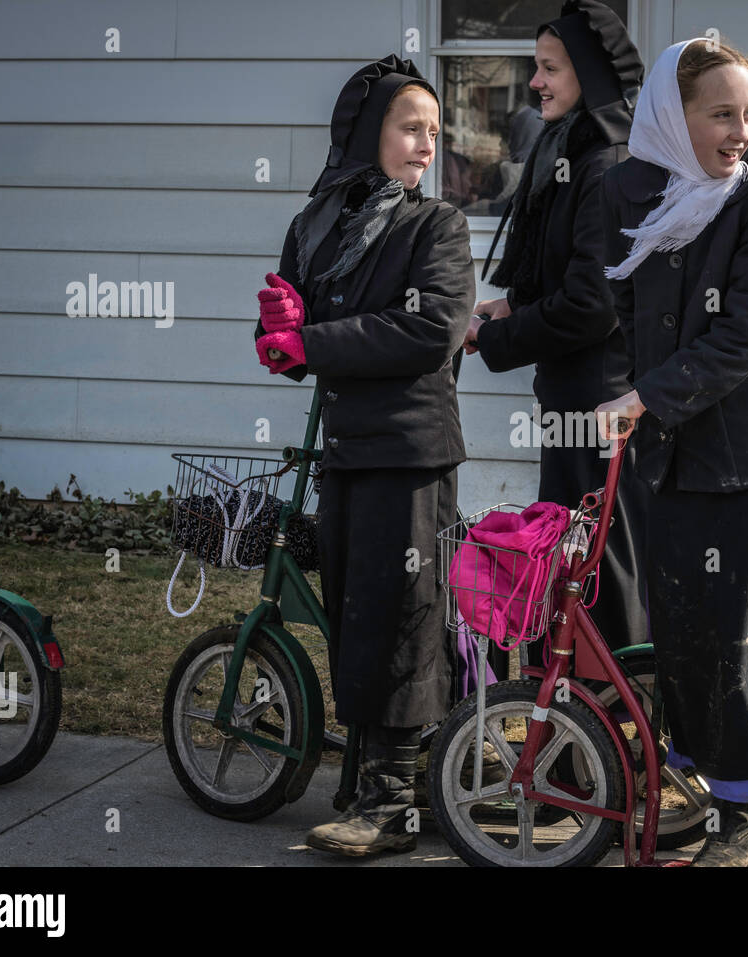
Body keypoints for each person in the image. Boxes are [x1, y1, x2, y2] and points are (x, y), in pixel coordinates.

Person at [595, 37, 748, 866]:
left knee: (743, 633)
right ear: (671, 115)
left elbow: (747, 333)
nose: (741, 131)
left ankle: (741, 819)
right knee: (689, 632)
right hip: (675, 451)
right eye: (721, 114)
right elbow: (621, 301)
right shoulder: (631, 188)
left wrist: (647, 394)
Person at [252, 55, 474, 858]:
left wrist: (307, 338)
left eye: (433, 133)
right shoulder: (322, 223)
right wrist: (277, 326)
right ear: (367, 133)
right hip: (348, 448)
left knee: (404, 619)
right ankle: (377, 778)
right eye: (410, 128)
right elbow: (290, 333)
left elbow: (430, 332)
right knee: (356, 611)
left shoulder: (435, 227)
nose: (426, 147)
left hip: (411, 452)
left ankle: (394, 800)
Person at [465, 0, 648, 664]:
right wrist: (511, 308)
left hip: (599, 404)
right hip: (576, 397)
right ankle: (570, 724)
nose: (535, 82)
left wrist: (497, 341)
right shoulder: (574, 145)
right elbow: (567, 272)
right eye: (535, 68)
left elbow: (593, 304)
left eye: (549, 69)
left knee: (593, 573)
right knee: (571, 560)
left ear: (590, 74)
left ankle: (598, 729)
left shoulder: (605, 158)